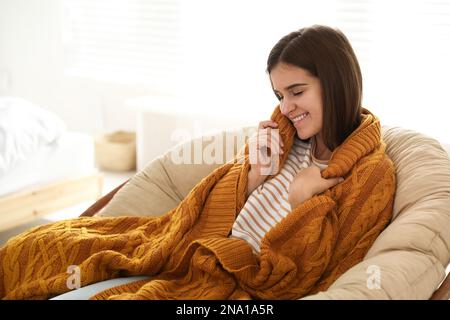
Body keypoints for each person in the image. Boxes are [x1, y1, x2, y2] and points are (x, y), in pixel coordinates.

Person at [0, 25, 396, 300]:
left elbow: (305, 277)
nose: (286, 107)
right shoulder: (283, 136)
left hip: (235, 275)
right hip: (188, 244)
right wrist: (253, 175)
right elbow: (211, 204)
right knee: (37, 246)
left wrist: (303, 201)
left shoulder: (371, 175)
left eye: (297, 91)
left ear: (336, 82)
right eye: (279, 94)